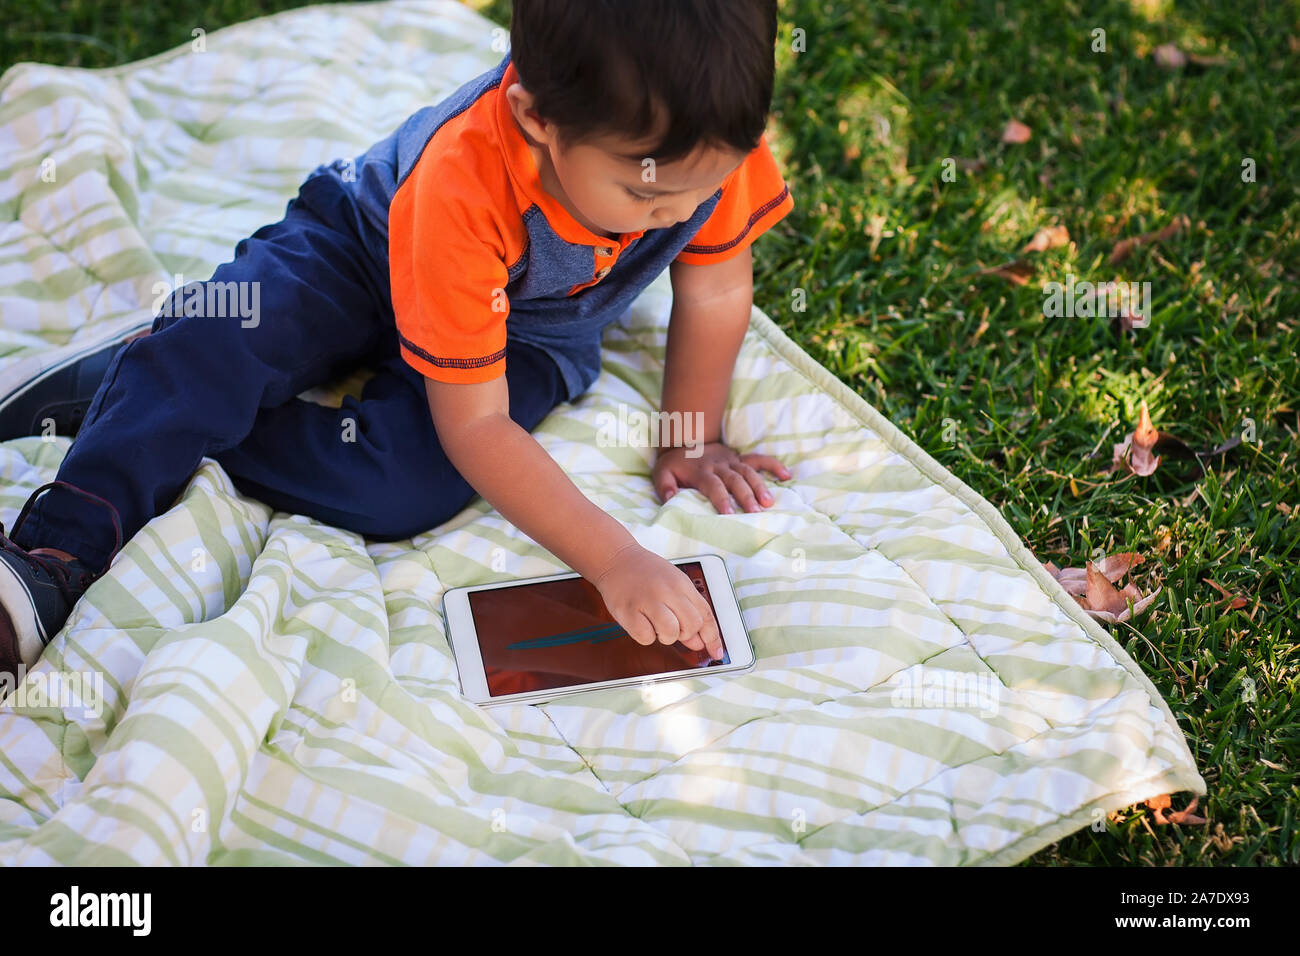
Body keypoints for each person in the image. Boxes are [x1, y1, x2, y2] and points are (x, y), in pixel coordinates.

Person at [0, 0, 794, 682]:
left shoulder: (699, 139)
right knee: (223, 336)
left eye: (705, 187)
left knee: (397, 488)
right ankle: (55, 556)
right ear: (536, 119)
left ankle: (156, 391)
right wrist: (616, 559)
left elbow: (716, 286)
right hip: (363, 251)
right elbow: (477, 422)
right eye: (643, 191)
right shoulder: (463, 178)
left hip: (529, 331)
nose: (680, 210)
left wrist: (692, 439)